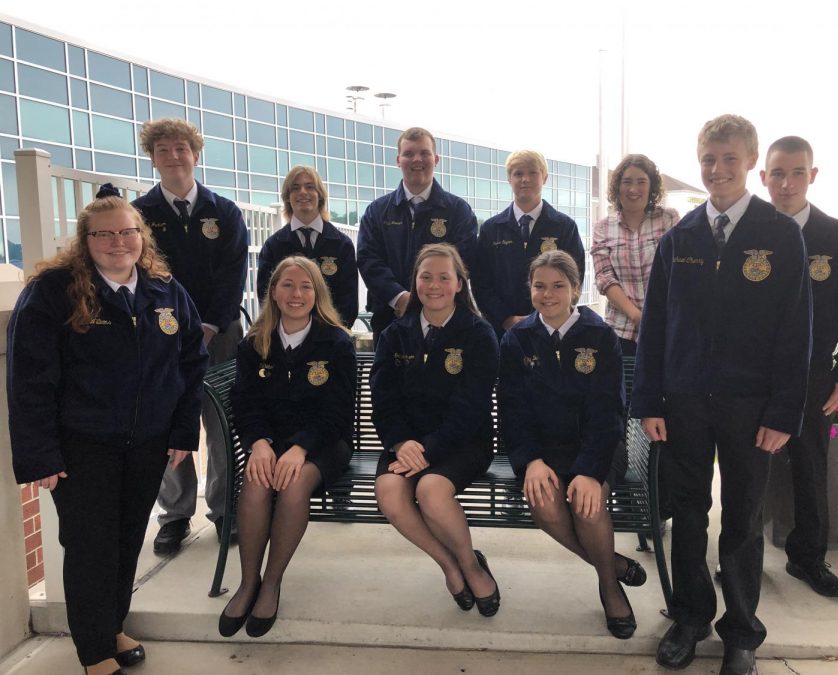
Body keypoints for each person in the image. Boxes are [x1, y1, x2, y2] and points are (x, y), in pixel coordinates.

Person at [632, 114, 811, 675]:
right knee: (687, 513)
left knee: (741, 518)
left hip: (751, 408)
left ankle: (741, 633)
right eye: (709, 159)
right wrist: (649, 402)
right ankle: (689, 618)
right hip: (684, 403)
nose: (717, 170)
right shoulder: (680, 237)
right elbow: (654, 327)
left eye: (730, 159)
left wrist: (784, 411)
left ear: (751, 162)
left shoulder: (780, 236)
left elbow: (795, 332)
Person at [7, 186, 207, 675]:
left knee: (125, 540)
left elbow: (191, 364)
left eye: (127, 231)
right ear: (85, 239)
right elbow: (30, 376)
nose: (118, 242)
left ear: (142, 236)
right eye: (105, 234)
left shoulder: (165, 290)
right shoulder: (55, 291)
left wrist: (183, 433)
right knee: (90, 546)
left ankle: (112, 626)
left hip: (147, 444)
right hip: (82, 446)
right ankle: (95, 652)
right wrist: (40, 455)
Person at [497, 250, 638, 639]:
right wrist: (531, 462)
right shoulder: (517, 339)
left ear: (575, 289)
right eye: (539, 286)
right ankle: (611, 563)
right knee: (544, 503)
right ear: (530, 289)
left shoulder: (599, 336)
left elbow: (608, 413)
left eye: (558, 285)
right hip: (543, 452)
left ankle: (609, 588)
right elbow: (513, 411)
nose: (548, 294)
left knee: (587, 506)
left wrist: (590, 472)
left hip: (595, 445)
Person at [219, 256, 355, 638]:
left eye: (305, 286)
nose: (296, 294)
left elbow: (338, 412)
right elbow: (246, 405)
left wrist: (300, 448)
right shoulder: (254, 344)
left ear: (317, 293)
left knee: (294, 484)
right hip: (270, 442)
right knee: (258, 481)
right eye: (288, 285)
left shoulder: (336, 342)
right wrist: (258, 444)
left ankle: (272, 582)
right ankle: (248, 583)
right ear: (274, 292)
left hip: (325, 444)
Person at [132, 118, 249, 554]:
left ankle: (224, 510)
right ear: (153, 158)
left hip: (219, 336)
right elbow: (142, 274)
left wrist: (210, 324)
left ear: (195, 155)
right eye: (163, 149)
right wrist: (176, 325)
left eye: (181, 148)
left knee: (221, 425)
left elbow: (232, 275)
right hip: (162, 338)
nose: (173, 155)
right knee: (168, 423)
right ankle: (175, 515)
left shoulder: (224, 212)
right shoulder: (140, 215)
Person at [760, 135, 838, 597]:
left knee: (810, 469)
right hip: (755, 376)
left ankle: (808, 559)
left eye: (797, 173)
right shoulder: (750, 234)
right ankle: (740, 557)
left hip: (812, 377)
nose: (787, 184)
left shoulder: (837, 238)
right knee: (749, 474)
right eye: (778, 174)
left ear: (812, 175)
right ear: (763, 177)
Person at [371, 243, 501, 617]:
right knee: (390, 492)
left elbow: (470, 407)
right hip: (406, 441)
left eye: (444, 277)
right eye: (425, 277)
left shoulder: (479, 335)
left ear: (459, 284)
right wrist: (400, 441)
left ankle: (472, 565)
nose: (434, 285)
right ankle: (450, 564)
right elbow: (384, 398)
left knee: (430, 490)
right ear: (415, 282)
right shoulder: (395, 334)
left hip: (463, 442)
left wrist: (427, 449)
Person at [357, 127, 477, 344]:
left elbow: (464, 259)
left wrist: (432, 299)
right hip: (390, 317)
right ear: (398, 160)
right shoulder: (377, 211)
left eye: (424, 153)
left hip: (447, 320)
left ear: (436, 159)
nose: (417, 159)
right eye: (409, 154)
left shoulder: (459, 211)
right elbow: (368, 260)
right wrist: (399, 298)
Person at [472, 149, 584, 338]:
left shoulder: (564, 227)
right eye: (518, 173)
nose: (525, 179)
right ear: (509, 179)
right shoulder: (491, 229)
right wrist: (505, 319)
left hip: (552, 329)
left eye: (533, 172)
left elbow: (575, 276)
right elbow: (480, 282)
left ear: (545, 177)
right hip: (503, 332)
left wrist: (547, 317)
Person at [591, 154, 679, 357]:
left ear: (652, 187)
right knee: (626, 386)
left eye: (641, 181)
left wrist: (656, 316)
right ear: (617, 186)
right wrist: (637, 316)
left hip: (665, 326)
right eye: (627, 182)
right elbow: (604, 278)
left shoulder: (668, 219)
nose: (633, 189)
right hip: (621, 332)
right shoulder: (603, 227)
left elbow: (678, 271)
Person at [257, 166, 358, 329]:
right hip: (286, 340)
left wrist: (330, 335)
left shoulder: (342, 244)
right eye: (295, 188)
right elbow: (266, 297)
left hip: (330, 340)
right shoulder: (273, 246)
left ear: (320, 195)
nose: (303, 192)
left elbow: (348, 301)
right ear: (287, 197)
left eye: (310, 187)